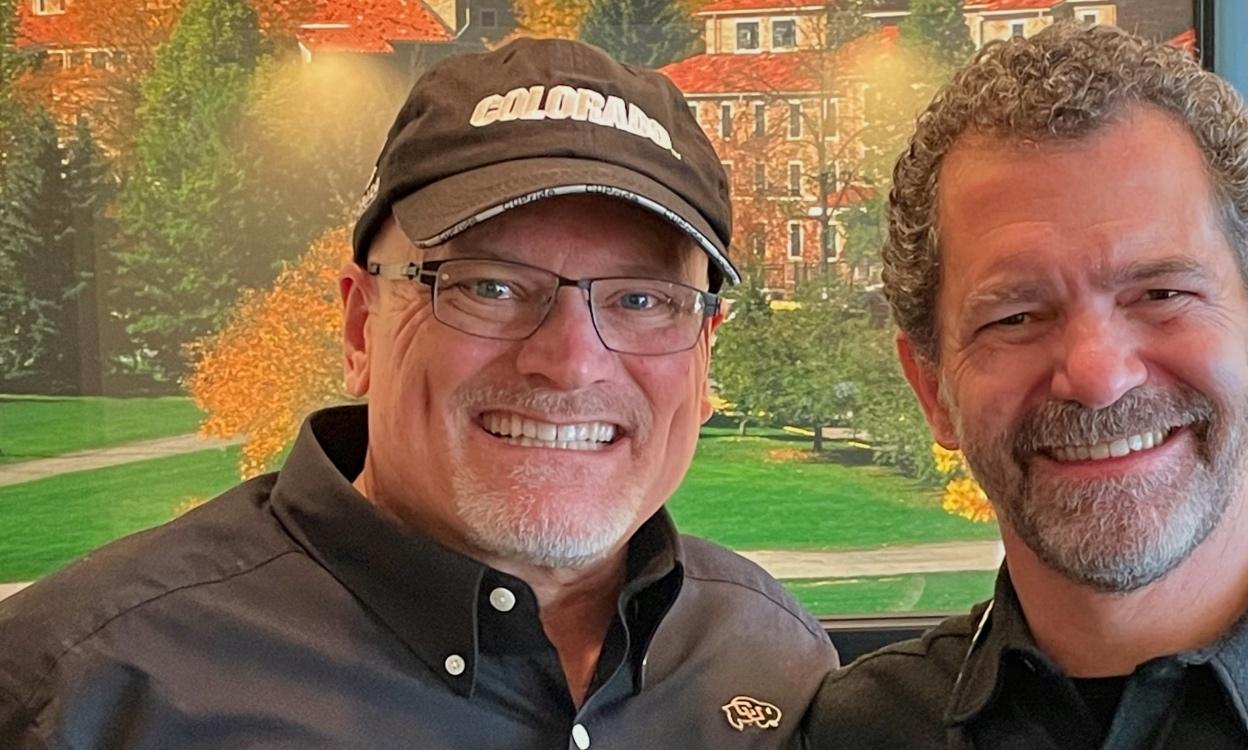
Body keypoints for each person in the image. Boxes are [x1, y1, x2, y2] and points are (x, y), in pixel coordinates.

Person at [0, 38, 836, 749]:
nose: (571, 361)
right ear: (363, 327)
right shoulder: (78, 690)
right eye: (490, 287)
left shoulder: (775, 661)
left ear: (704, 354)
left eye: (642, 300)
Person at [801, 23, 1248, 750]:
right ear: (931, 388)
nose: (1099, 377)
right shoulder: (858, 729)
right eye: (1015, 315)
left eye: (1162, 293)